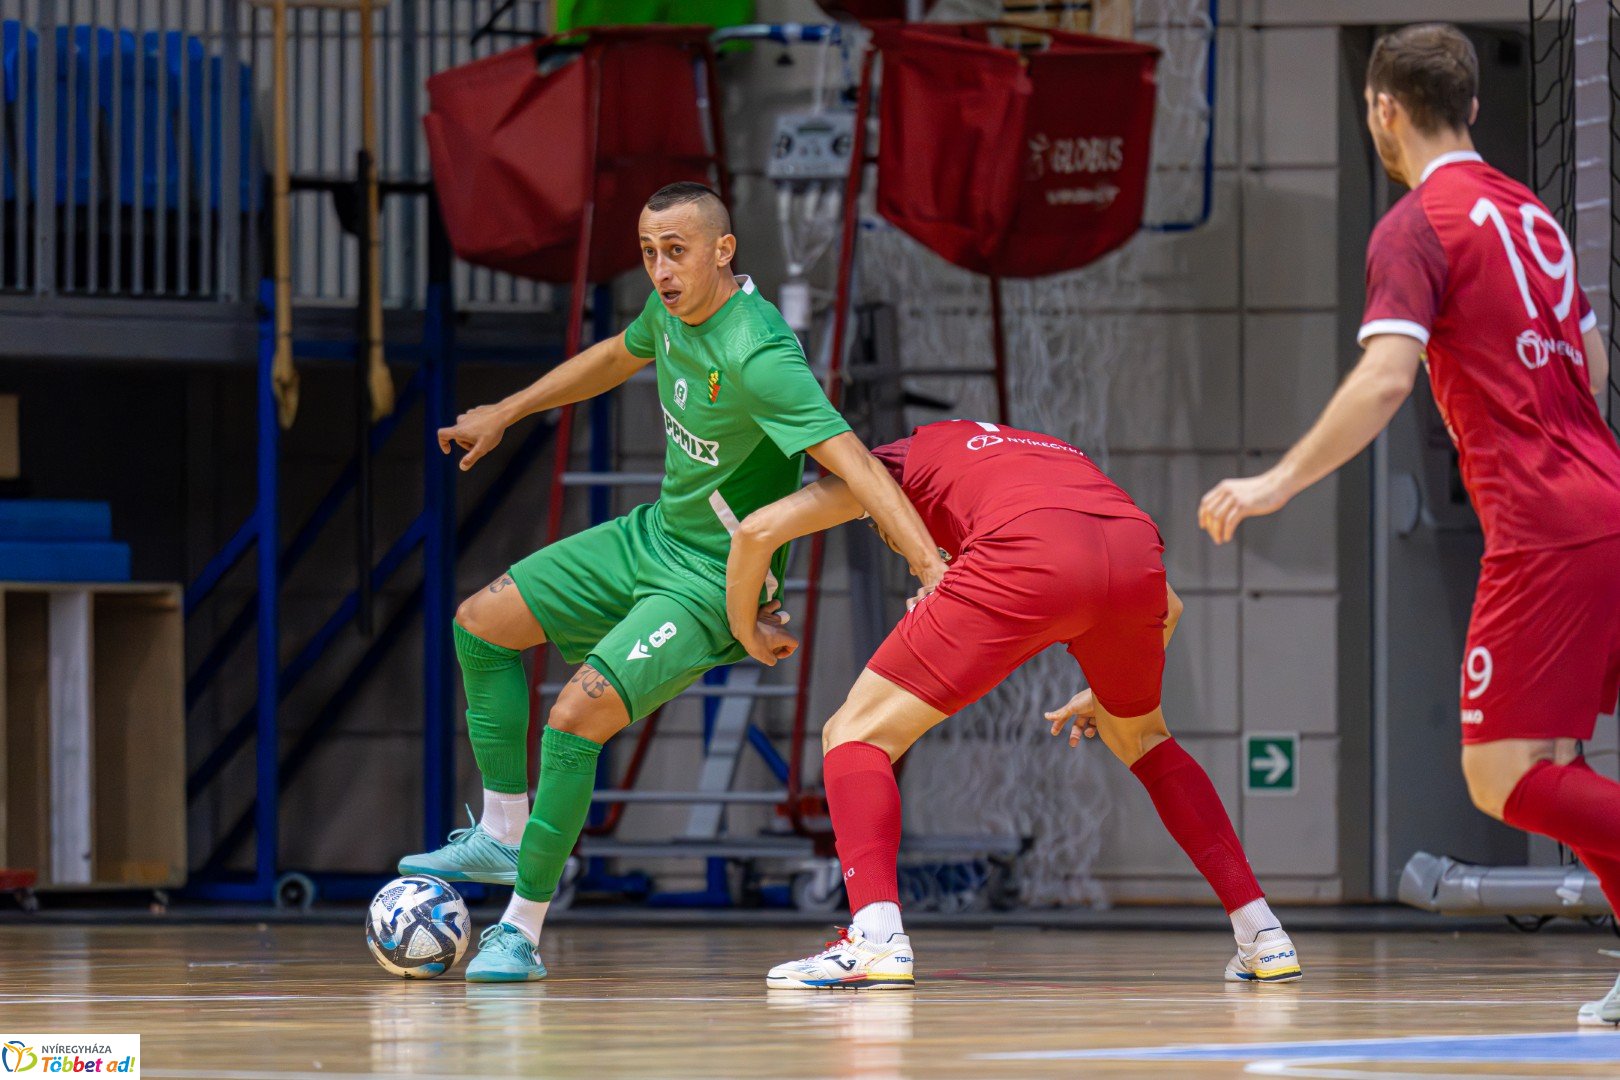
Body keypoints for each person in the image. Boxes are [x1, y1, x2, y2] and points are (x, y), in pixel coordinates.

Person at [399, 181, 947, 982]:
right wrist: (507, 410)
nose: (660, 268)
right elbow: (613, 358)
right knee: (480, 623)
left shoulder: (757, 355)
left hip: (710, 582)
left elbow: (856, 463)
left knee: (574, 715)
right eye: (650, 252)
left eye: (677, 251)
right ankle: (505, 830)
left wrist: (929, 564)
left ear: (724, 251)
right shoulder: (670, 312)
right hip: (650, 537)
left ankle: (520, 929)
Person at [1197, 24, 1620, 1026]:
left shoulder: (1415, 225)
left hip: (1544, 525)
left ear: (1382, 108)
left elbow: (1387, 377)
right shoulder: (1535, 216)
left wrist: (1275, 483)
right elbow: (1592, 371)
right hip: (1603, 493)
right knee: (1554, 766)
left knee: (1501, 777)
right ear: (1472, 106)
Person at [727, 419, 1302, 989]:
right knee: (1145, 739)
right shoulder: (1023, 454)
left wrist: (745, 627)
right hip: (1132, 553)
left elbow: (757, 531)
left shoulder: (888, 467)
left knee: (855, 732)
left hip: (1023, 554)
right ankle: (1262, 934)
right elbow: (1168, 607)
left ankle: (876, 939)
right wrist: (1105, 689)